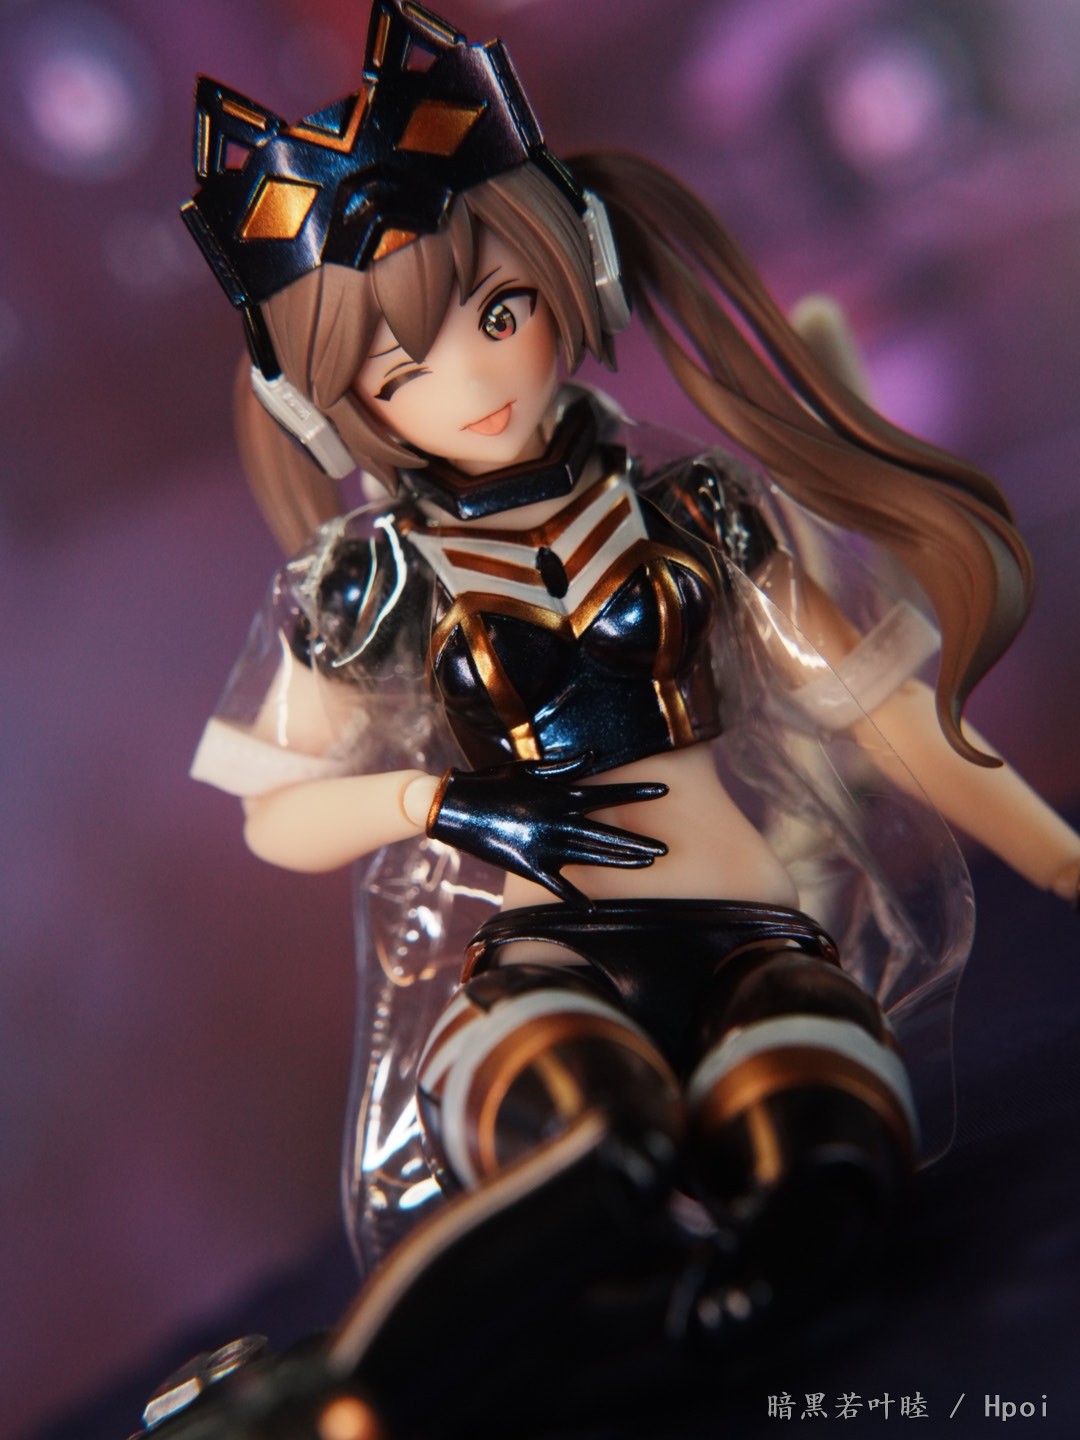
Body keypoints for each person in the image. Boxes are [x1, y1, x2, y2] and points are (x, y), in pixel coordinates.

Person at [181, 0, 1079, 1396]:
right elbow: (276, 820)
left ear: (575, 269)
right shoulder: (370, 582)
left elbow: (879, 710)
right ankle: (323, 1403)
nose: (474, 379)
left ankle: (640, 1335)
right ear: (332, 404)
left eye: (499, 313)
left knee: (822, 1176)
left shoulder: (700, 510)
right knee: (601, 1159)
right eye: (402, 368)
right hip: (547, 967)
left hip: (760, 949)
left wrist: (1062, 858)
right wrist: (450, 804)